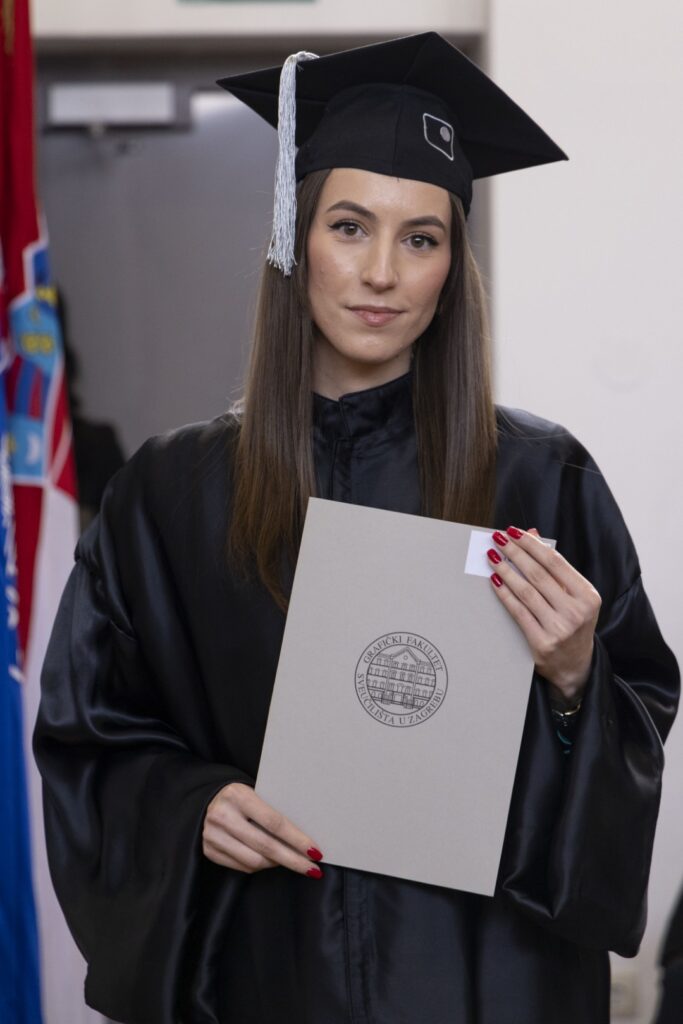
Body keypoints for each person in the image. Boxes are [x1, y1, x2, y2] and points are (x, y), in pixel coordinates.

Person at [33, 33, 679, 1024]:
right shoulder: (171, 494)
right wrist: (189, 803)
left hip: (487, 978)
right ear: (293, 240)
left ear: (450, 266)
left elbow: (633, 711)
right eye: (348, 226)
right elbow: (92, 734)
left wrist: (574, 678)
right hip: (267, 971)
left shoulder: (540, 477)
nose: (381, 271)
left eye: (420, 239)